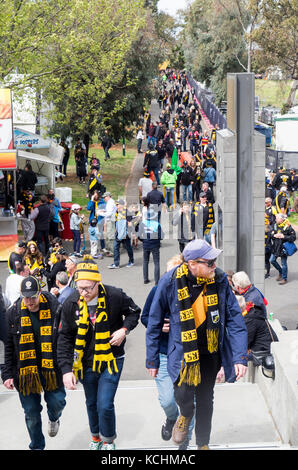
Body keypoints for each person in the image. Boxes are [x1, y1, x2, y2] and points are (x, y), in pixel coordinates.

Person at [146, 239, 248, 450]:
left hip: (210, 354)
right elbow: (154, 321)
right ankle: (184, 414)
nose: (214, 266)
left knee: (205, 401)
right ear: (192, 263)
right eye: (209, 262)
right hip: (182, 354)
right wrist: (152, 358)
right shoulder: (169, 282)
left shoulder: (219, 280)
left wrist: (239, 357)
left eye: (214, 261)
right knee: (182, 396)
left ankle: (203, 444)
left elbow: (235, 320)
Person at [57, 256, 141, 450]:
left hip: (112, 359)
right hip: (85, 361)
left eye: (88, 288)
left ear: (98, 283)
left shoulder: (115, 296)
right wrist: (66, 370)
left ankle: (109, 440)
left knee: (105, 404)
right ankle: (96, 438)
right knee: (91, 402)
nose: (83, 292)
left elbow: (134, 312)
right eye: (80, 287)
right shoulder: (71, 302)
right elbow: (64, 338)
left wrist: (123, 330)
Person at [1, 276, 66, 450]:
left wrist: (68, 367)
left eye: (33, 296)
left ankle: (54, 418)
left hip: (51, 368)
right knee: (31, 413)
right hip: (25, 371)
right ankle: (37, 446)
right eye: (26, 297)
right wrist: (6, 373)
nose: (29, 301)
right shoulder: (12, 313)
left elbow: (65, 339)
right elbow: (8, 346)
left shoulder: (56, 308)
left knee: (57, 403)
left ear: (40, 292)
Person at [141, 254, 194, 450]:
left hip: (187, 355)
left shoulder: (192, 291)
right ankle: (171, 418)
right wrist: (161, 327)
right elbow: (145, 317)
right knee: (167, 399)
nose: (168, 277)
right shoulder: (157, 290)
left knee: (189, 401)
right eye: (167, 272)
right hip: (164, 352)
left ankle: (185, 440)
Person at [235, 295, 278, 365]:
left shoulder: (249, 320)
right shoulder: (251, 312)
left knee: (232, 357)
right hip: (264, 348)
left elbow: (243, 344)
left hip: (262, 354)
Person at [269, 213, 297, 285]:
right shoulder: (275, 225)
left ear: (281, 220)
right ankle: (281, 272)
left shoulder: (288, 226)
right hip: (275, 247)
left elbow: (293, 237)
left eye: (277, 218)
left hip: (283, 248)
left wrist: (283, 236)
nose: (275, 219)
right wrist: (274, 235)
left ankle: (284, 278)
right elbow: (270, 234)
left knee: (283, 264)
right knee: (272, 260)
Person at [138, 206, 163, 285]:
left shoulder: (143, 223)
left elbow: (139, 235)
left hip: (146, 245)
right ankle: (157, 281)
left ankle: (145, 279)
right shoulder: (157, 224)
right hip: (155, 245)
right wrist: (157, 241)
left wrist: (144, 241)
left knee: (145, 261)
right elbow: (161, 236)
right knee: (156, 262)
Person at [108, 199, 134, 269]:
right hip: (118, 233)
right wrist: (116, 230)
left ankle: (131, 261)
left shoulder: (127, 212)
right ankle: (116, 264)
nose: (116, 206)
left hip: (125, 233)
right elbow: (115, 222)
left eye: (118, 204)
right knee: (116, 247)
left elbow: (130, 223)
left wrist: (129, 232)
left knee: (128, 248)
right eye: (116, 204)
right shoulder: (116, 212)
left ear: (122, 205)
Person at [96, 192, 117, 257]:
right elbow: (108, 211)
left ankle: (112, 251)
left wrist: (100, 213)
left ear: (108, 196)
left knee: (110, 236)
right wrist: (103, 211)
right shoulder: (110, 202)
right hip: (109, 220)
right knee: (108, 236)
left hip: (110, 220)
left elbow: (109, 214)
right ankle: (110, 250)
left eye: (104, 197)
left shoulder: (110, 203)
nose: (104, 199)